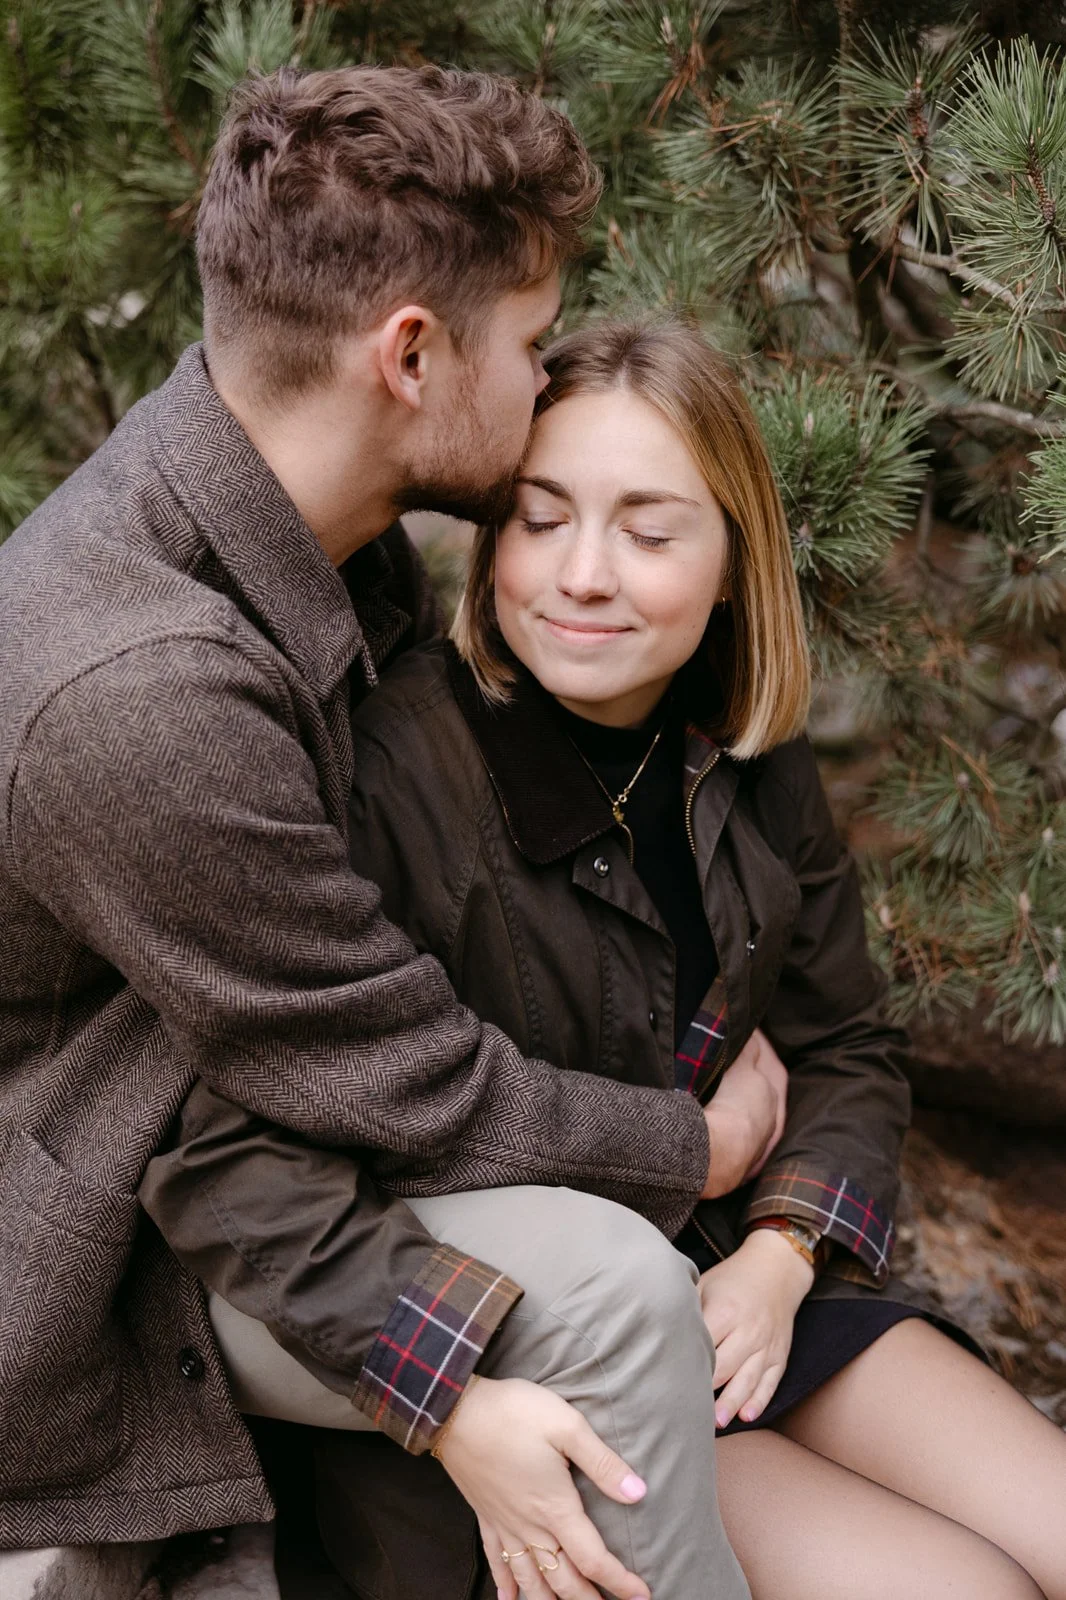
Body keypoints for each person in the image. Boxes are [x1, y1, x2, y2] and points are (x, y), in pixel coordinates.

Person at [0, 64, 763, 1600]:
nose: (548, 391)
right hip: (97, 1238)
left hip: (248, 1118)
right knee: (612, 1288)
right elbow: (399, 1078)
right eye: (536, 349)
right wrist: (699, 1142)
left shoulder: (294, 512)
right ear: (409, 355)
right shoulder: (143, 690)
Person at [154, 318, 1066, 1600]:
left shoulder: (742, 746)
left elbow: (844, 1042)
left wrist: (784, 1251)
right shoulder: (396, 771)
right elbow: (234, 1156)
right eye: (539, 518)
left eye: (648, 532)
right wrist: (454, 1392)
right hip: (552, 1336)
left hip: (742, 1281)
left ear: (734, 562)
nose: (585, 574)